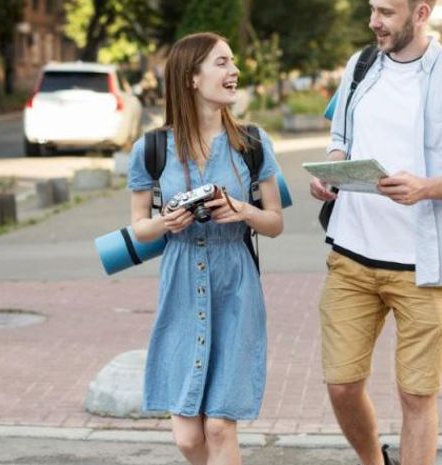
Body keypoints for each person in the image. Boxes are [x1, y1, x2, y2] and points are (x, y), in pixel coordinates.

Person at [308, 1, 442, 464]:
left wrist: (427, 188)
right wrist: (331, 172)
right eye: (371, 9)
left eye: (385, 12)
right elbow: (340, 140)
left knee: (416, 396)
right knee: (341, 384)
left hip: (423, 268)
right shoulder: (359, 67)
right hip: (351, 257)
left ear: (420, 13)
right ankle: (376, 461)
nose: (373, 21)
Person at [126, 32, 284, 465]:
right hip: (181, 283)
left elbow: (275, 222)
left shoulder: (252, 144)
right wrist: (164, 223)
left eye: (232, 62)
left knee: (218, 425)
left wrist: (242, 212)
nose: (233, 72)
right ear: (192, 77)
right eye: (222, 63)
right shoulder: (153, 149)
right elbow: (139, 227)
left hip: (235, 283)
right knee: (187, 438)